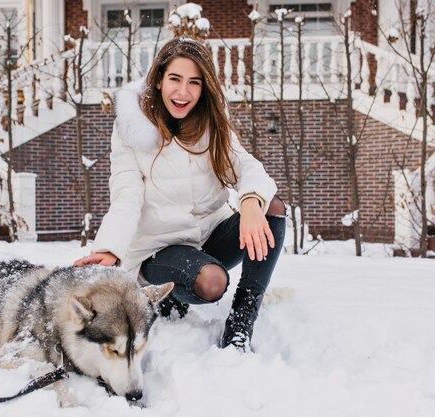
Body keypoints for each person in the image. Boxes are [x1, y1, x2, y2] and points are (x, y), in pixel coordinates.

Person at [74, 36, 286, 352]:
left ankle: (242, 320)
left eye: (194, 82)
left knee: (273, 206)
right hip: (158, 250)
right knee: (212, 282)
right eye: (175, 79)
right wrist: (111, 248)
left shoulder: (213, 125)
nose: (183, 92)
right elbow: (126, 196)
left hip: (209, 236)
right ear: (159, 80)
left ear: (204, 88)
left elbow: (246, 166)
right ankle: (172, 294)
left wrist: (252, 202)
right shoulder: (131, 131)